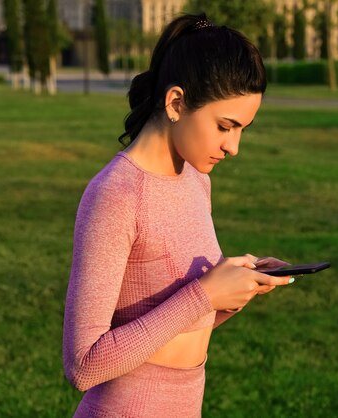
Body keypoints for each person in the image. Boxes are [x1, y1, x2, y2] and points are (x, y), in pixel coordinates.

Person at [62, 13, 294, 417]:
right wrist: (204, 293)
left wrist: (233, 292)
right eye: (225, 126)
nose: (233, 147)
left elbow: (177, 327)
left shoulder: (195, 179)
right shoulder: (116, 195)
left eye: (243, 130)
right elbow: (83, 365)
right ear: (176, 102)